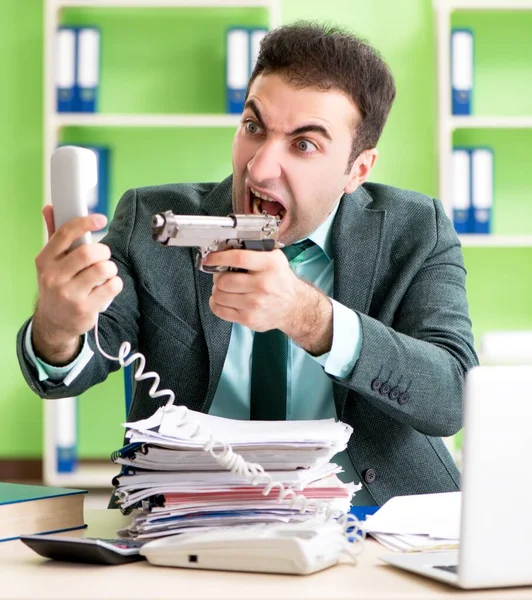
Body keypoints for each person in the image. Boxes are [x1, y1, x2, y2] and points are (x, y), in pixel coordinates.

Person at [17, 22, 478, 506]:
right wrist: (57, 325)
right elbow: (70, 368)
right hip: (191, 519)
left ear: (356, 170)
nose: (257, 168)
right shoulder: (150, 222)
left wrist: (310, 318)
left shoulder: (416, 229)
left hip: (376, 524)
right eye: (253, 127)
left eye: (303, 144)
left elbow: (452, 396)